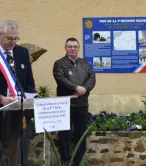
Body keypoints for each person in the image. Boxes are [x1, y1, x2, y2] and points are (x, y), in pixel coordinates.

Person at [0, 19, 36, 166]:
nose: (13, 42)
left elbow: (29, 81)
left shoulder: (22, 52)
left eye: (16, 38)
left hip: (15, 113)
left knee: (13, 156)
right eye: (10, 38)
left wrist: (28, 97)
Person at [53, 37, 96, 165]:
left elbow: (92, 79)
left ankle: (79, 161)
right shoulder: (59, 64)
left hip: (82, 105)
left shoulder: (85, 63)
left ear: (78, 48)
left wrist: (85, 88)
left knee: (81, 135)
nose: (72, 49)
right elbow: (61, 79)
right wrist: (76, 87)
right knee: (64, 135)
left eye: (75, 46)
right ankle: (65, 161)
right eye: (70, 46)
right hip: (65, 105)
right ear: (65, 48)